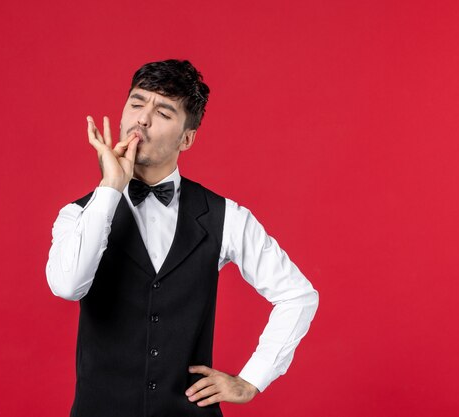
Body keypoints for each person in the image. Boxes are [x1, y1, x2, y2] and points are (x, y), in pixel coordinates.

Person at [46, 59, 319, 417]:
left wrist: (252, 379)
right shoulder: (78, 215)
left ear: (186, 138)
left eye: (163, 112)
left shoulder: (226, 216)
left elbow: (297, 295)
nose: (142, 119)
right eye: (137, 102)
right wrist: (110, 187)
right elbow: (67, 286)